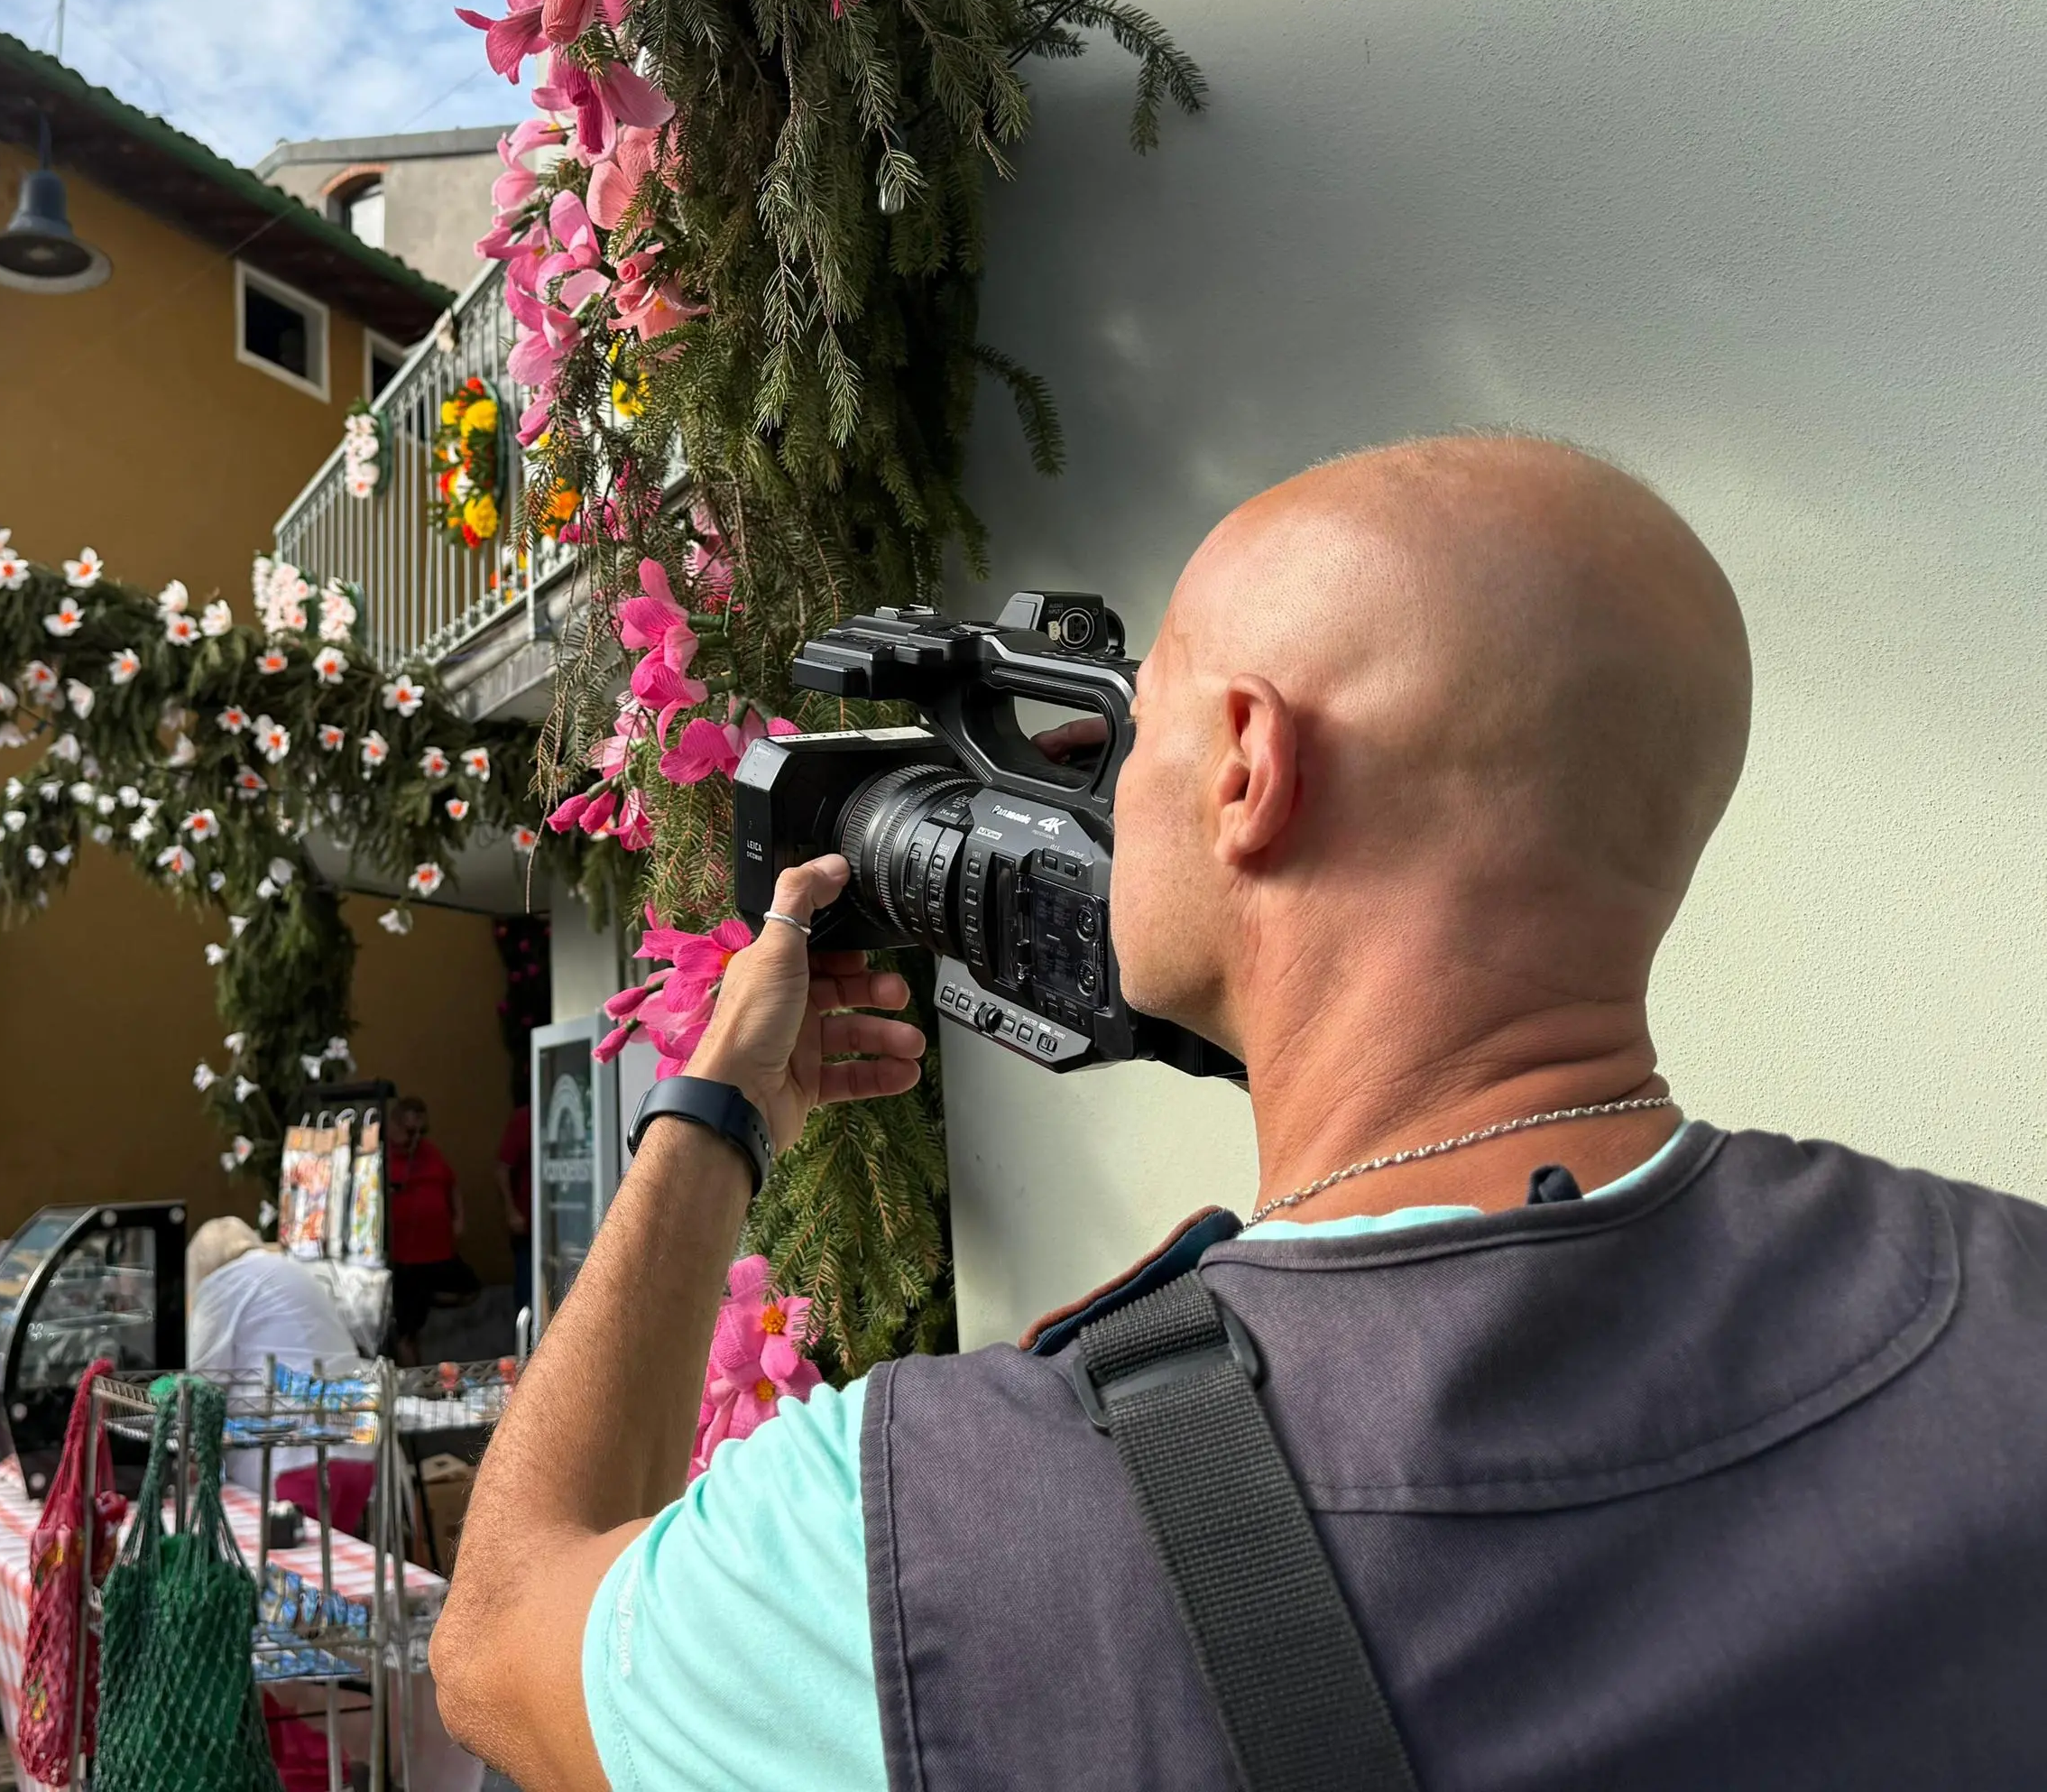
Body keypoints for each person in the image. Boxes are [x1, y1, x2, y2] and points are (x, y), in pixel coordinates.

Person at [433, 436, 2047, 1789]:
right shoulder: (2008, 1313)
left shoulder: (931, 1541)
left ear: (1245, 770)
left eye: (1131, 724)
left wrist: (713, 1111)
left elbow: (497, 1638)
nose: (1097, 778)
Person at [187, 1217, 363, 1498]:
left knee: (277, 1540)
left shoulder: (220, 1284)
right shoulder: (296, 1272)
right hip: (358, 1456)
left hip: (288, 1461)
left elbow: (203, 1385)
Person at [383, 1099, 471, 1352]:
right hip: (405, 1257)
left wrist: (459, 1218)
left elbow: (451, 1183)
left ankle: (427, 1301)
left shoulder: (429, 1152)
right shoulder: (384, 1157)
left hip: (436, 1252)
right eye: (411, 1131)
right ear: (394, 1126)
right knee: (407, 1331)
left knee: (468, 1288)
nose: (417, 1138)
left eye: (423, 1131)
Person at [495, 1098, 534, 1326]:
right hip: (528, 1226)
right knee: (528, 1292)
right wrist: (511, 1211)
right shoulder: (525, 1118)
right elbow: (502, 1169)